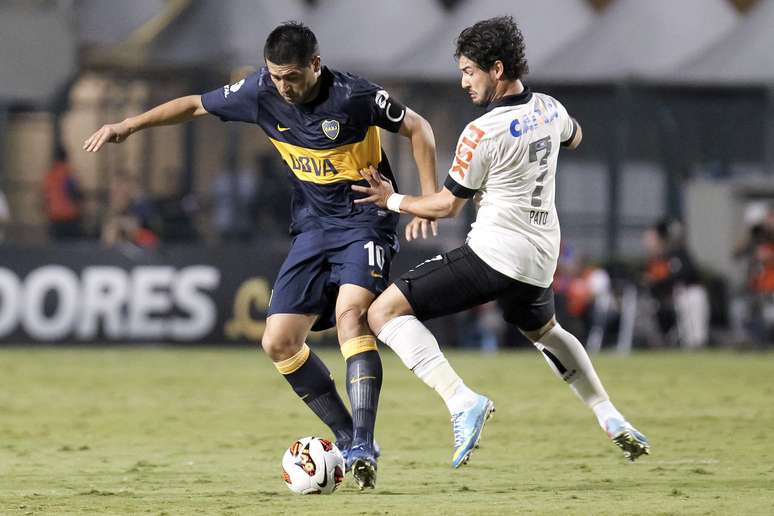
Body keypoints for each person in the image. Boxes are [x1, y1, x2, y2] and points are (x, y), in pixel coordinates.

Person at [83, 21, 438, 489]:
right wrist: (126, 125)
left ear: (315, 64)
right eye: (275, 76)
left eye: (291, 76)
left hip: (364, 222)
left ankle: (364, 445)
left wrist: (427, 198)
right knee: (278, 341)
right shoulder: (259, 91)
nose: (283, 86)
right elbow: (193, 104)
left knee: (352, 316)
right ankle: (347, 436)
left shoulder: (354, 96)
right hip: (312, 229)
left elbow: (419, 127)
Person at [354, 16, 650, 466]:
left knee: (382, 312)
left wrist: (391, 199)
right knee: (545, 331)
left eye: (469, 71)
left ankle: (461, 401)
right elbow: (576, 135)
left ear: (496, 69)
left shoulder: (481, 132)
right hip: (540, 257)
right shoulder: (550, 108)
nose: (463, 82)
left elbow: (448, 206)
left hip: (495, 253)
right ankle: (608, 414)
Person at [43, 145, 83, 240]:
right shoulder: (68, 173)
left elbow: (46, 197)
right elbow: (75, 192)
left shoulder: (50, 175)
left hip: (54, 217)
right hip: (70, 216)